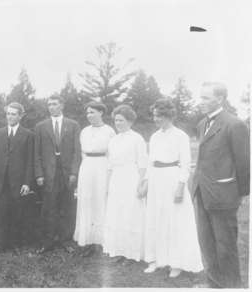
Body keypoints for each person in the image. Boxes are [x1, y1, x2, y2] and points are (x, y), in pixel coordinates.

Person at [191, 82, 250, 288]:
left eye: (206, 98)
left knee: (225, 247)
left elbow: (243, 162)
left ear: (220, 99)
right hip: (201, 192)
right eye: (201, 97)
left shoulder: (235, 124)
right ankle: (214, 285)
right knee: (207, 244)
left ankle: (232, 286)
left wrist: (240, 193)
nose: (202, 102)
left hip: (224, 195)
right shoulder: (201, 124)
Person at [144, 98, 203, 278]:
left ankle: (176, 262)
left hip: (172, 180)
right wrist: (146, 181)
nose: (156, 119)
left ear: (169, 116)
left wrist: (180, 187)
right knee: (156, 219)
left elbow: (185, 164)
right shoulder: (154, 136)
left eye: (159, 116)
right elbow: (150, 162)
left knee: (175, 221)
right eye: (154, 116)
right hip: (156, 181)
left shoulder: (180, 136)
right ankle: (156, 259)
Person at [34, 95, 81, 253]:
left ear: (62, 106)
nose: (51, 107)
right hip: (49, 174)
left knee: (67, 207)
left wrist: (74, 172)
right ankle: (47, 241)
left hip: (67, 173)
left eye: (54, 104)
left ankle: (65, 240)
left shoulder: (73, 125)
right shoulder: (41, 126)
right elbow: (37, 153)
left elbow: (77, 152)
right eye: (49, 104)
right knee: (48, 208)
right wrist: (39, 174)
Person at [0, 102, 34, 256]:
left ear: (20, 116)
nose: (10, 116)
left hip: (18, 182)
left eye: (14, 114)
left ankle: (15, 244)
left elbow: (30, 161)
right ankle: (0, 245)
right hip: (0, 181)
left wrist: (27, 182)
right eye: (8, 113)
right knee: (0, 213)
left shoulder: (28, 135)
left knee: (17, 213)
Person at [103, 105, 148, 265]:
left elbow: (143, 164)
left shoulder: (137, 138)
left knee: (131, 214)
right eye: (116, 120)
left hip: (131, 178)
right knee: (117, 214)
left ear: (130, 121)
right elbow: (109, 165)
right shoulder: (113, 140)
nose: (118, 123)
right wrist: (107, 185)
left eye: (121, 120)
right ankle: (120, 250)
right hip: (116, 179)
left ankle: (132, 253)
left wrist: (141, 184)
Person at [73, 101, 115, 256]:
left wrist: (110, 174)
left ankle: (102, 242)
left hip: (102, 167)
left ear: (101, 113)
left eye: (92, 112)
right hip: (87, 167)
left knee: (100, 201)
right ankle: (87, 240)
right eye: (88, 113)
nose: (89, 115)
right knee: (87, 201)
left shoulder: (109, 131)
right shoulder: (84, 131)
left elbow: (112, 154)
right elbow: (82, 153)